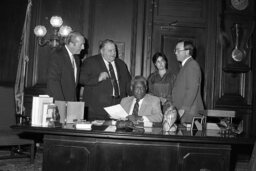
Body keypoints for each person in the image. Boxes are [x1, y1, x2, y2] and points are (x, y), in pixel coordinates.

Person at [80, 39, 131, 121]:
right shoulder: (91, 62)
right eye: (110, 51)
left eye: (115, 50)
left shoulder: (121, 64)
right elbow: (80, 79)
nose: (113, 53)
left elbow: (128, 84)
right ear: (102, 51)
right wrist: (98, 78)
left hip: (118, 108)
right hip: (96, 110)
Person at [47, 31, 85, 101]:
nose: (83, 47)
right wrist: (61, 103)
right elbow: (53, 81)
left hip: (72, 102)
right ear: (71, 44)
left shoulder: (76, 58)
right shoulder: (57, 55)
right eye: (81, 44)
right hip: (60, 101)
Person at [172, 40, 204, 123]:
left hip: (189, 114)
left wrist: (183, 109)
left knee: (191, 135)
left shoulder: (192, 65)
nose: (175, 53)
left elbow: (192, 89)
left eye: (178, 50)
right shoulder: (186, 66)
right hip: (185, 113)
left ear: (187, 52)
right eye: (175, 50)